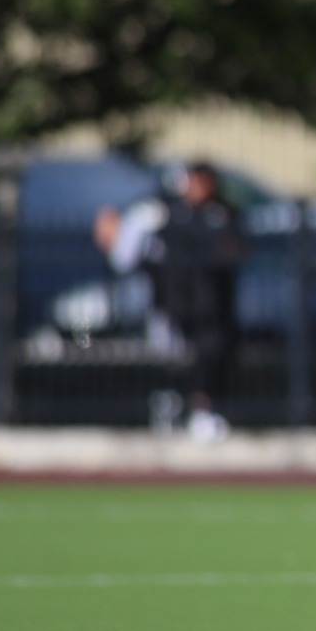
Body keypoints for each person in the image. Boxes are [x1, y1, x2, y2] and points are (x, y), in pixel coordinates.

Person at [93, 162, 248, 441]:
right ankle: (169, 410)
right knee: (172, 359)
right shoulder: (163, 215)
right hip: (173, 305)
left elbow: (234, 252)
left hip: (212, 308)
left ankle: (202, 412)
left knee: (211, 357)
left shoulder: (222, 215)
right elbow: (125, 257)